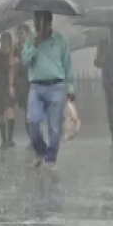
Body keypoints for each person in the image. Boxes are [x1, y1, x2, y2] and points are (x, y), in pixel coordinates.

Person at [21, 11, 76, 169]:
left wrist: (70, 87)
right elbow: (24, 61)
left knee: (54, 126)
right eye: (38, 24)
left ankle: (51, 158)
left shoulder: (60, 41)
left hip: (56, 87)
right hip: (36, 87)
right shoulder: (31, 41)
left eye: (43, 23)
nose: (41, 27)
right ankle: (41, 150)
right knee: (33, 121)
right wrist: (35, 45)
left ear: (50, 23)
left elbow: (67, 66)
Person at [13, 24, 33, 147]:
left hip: (33, 80)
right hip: (22, 82)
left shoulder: (33, 47)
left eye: (22, 33)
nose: (20, 36)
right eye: (19, 34)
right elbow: (14, 66)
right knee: (27, 110)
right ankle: (32, 137)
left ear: (28, 34)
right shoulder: (16, 49)